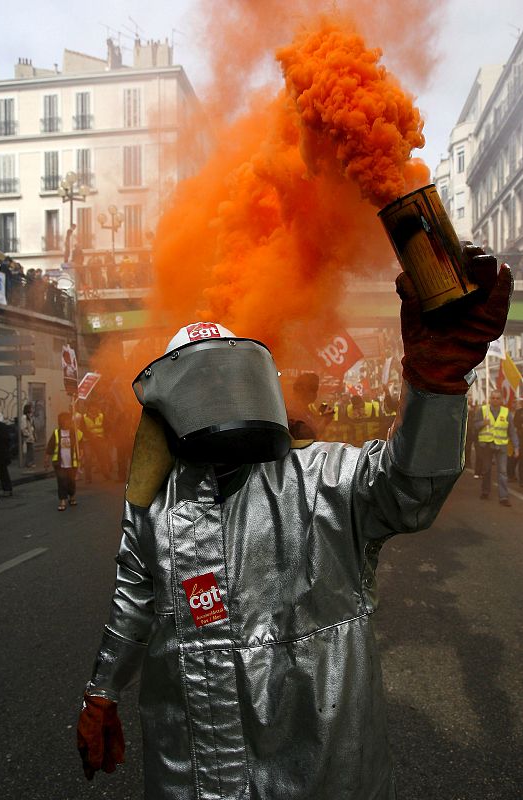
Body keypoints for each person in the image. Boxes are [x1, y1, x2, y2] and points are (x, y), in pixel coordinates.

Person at [77, 246, 511, 800]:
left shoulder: (323, 478)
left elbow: (411, 488)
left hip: (324, 774)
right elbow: (131, 606)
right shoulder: (153, 509)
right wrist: (101, 692)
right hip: (188, 774)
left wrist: (438, 385)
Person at [475, 389, 519, 506]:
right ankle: (485, 491)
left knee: (502, 472)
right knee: (487, 470)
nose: (495, 400)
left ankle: (503, 497)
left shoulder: (506, 412)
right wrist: (482, 423)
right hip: (487, 445)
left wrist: (516, 447)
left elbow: (512, 432)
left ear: (501, 400)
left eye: (497, 398)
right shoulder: (482, 410)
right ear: (490, 399)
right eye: (493, 398)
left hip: (501, 446)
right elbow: (474, 426)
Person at [44, 411, 83, 511]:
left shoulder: (74, 432)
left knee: (71, 481)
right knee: (62, 481)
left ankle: (72, 496)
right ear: (61, 422)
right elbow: (50, 447)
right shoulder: (56, 433)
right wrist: (47, 459)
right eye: (65, 421)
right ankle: (62, 500)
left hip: (72, 463)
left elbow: (80, 442)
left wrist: (81, 453)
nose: (67, 423)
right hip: (59, 463)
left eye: (69, 421)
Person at [21, 403, 36, 468]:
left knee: (31, 450)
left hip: (30, 436)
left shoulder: (30, 416)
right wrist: (28, 434)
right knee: (30, 450)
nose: (33, 409)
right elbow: (23, 428)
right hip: (28, 437)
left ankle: (29, 462)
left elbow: (31, 426)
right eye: (31, 408)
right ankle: (29, 463)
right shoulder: (24, 417)